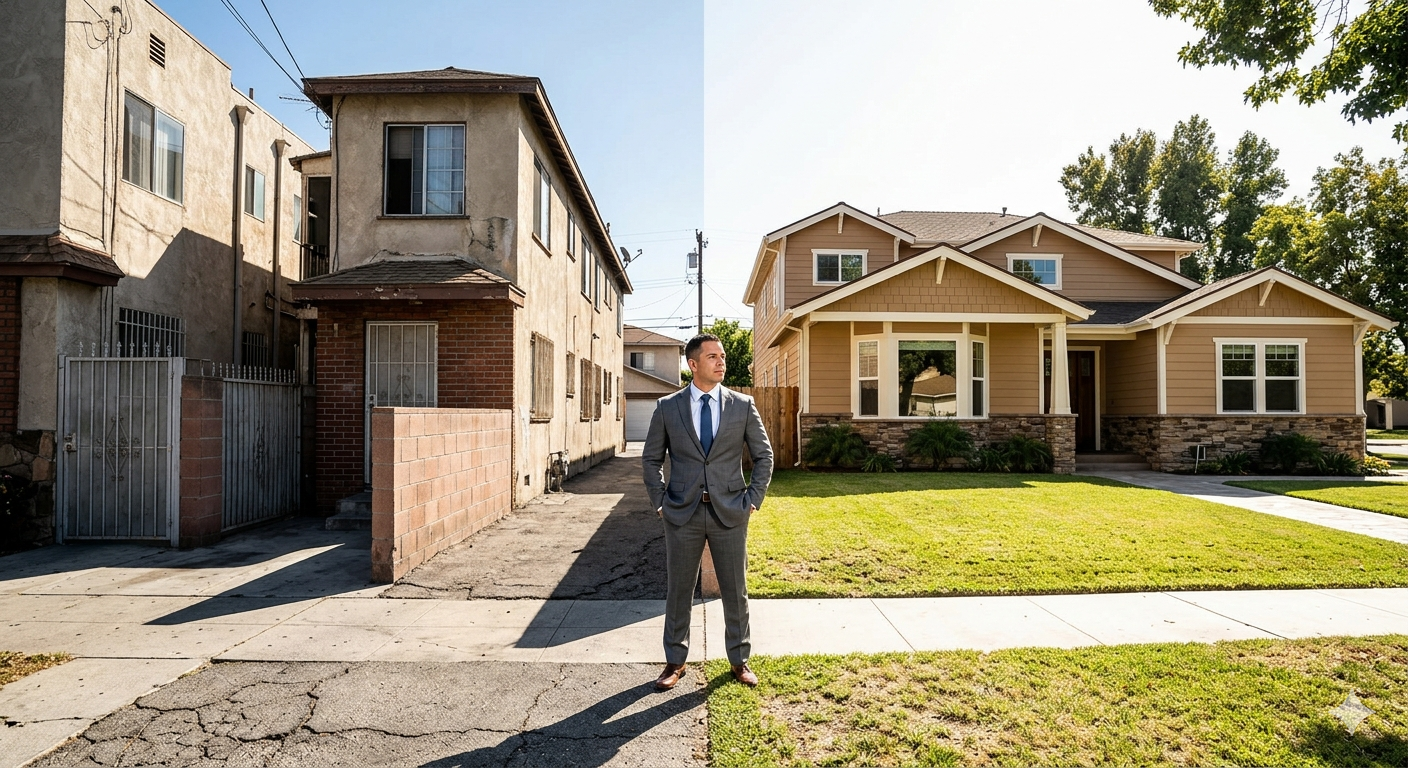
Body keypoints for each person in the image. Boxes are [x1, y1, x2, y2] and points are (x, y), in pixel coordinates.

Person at [642, 333, 773, 690]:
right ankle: (674, 662)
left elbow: (764, 456)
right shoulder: (668, 407)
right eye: (712, 356)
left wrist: (753, 499)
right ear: (693, 364)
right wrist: (659, 501)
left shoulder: (742, 406)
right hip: (681, 513)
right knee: (679, 589)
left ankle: (740, 659)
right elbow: (652, 459)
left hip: (730, 511)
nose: (721, 362)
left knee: (735, 589)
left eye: (723, 356)